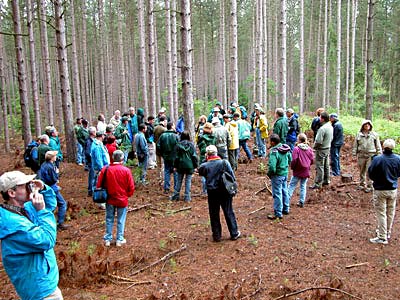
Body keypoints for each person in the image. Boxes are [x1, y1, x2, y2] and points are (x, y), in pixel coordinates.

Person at [0, 171, 63, 299]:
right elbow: (47, 240)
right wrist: (41, 211)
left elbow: (50, 204)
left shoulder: (22, 209)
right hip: (39, 289)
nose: (30, 186)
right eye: (25, 185)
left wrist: (43, 189)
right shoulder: (14, 226)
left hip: (43, 281)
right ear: (12, 193)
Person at [198, 145, 240, 242]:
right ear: (216, 153)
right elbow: (232, 176)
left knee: (214, 213)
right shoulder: (224, 163)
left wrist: (205, 160)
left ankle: (217, 235)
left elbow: (200, 171)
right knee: (228, 211)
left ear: (207, 154)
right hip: (225, 191)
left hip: (212, 192)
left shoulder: (205, 166)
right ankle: (234, 233)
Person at [97, 150, 135, 247]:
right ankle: (119, 239)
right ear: (122, 159)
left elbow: (99, 184)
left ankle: (108, 239)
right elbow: (131, 187)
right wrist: (127, 195)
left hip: (109, 199)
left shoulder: (105, 169)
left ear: (112, 158)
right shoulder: (126, 171)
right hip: (122, 199)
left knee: (109, 218)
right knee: (121, 219)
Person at [367, 139, 400, 244]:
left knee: (381, 213)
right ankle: (387, 232)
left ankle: (382, 236)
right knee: (390, 212)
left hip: (380, 189)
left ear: (383, 146)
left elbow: (370, 173)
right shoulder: (398, 158)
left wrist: (376, 179)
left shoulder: (378, 159)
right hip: (393, 189)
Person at [39, 150, 69, 230]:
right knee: (61, 204)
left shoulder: (44, 165)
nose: (56, 157)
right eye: (55, 156)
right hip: (51, 188)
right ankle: (60, 223)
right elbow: (52, 179)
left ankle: (50, 223)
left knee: (49, 205)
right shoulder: (50, 167)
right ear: (52, 158)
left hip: (46, 188)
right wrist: (57, 174)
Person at [352, 120, 382, 192]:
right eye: (365, 125)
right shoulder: (358, 134)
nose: (367, 126)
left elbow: (378, 145)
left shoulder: (374, 135)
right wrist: (354, 153)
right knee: (362, 170)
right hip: (361, 155)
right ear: (363, 126)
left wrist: (379, 154)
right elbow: (355, 145)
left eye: (368, 125)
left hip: (371, 155)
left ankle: (370, 185)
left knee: (370, 170)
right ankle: (362, 184)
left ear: (370, 126)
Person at [267, 134, 292, 220]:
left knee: (277, 193)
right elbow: (290, 159)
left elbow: (272, 166)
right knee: (284, 190)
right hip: (284, 173)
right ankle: (286, 208)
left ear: (273, 142)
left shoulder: (274, 152)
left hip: (277, 175)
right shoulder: (285, 148)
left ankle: (278, 213)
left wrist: (270, 174)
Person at [287, 134, 314, 208]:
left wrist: (293, 167)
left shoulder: (296, 149)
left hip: (298, 170)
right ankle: (302, 201)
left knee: (292, 185)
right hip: (306, 170)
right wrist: (308, 165)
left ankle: (286, 200)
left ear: (299, 140)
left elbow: (294, 160)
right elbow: (312, 160)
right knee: (303, 185)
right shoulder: (309, 149)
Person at [171, 130, 198, 202]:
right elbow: (194, 156)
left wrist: (175, 166)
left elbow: (176, 157)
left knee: (179, 180)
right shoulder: (191, 145)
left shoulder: (178, 145)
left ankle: (175, 196)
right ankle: (187, 197)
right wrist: (195, 166)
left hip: (180, 165)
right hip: (190, 165)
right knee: (188, 181)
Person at [310, 112, 333, 189]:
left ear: (322, 119)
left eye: (320, 117)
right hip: (327, 148)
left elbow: (318, 141)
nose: (319, 119)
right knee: (326, 165)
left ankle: (318, 183)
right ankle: (326, 180)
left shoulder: (322, 129)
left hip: (321, 149)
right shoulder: (330, 126)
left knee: (320, 166)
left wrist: (314, 147)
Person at [157, 122, 179, 193]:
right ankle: (176, 188)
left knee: (166, 171)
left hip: (166, 157)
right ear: (172, 126)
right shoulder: (175, 136)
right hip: (174, 157)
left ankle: (166, 188)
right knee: (175, 172)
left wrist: (162, 153)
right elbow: (179, 146)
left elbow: (158, 145)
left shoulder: (162, 136)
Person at [91, 132, 110, 209]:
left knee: (99, 183)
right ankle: (101, 202)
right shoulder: (97, 146)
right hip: (100, 169)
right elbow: (98, 159)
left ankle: (102, 201)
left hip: (102, 167)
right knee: (100, 184)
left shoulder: (98, 144)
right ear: (101, 136)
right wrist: (102, 169)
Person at [197, 122, 216, 194]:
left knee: (204, 174)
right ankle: (211, 189)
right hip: (213, 157)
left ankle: (205, 191)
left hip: (204, 158)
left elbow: (202, 150)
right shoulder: (213, 138)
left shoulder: (202, 138)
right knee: (212, 173)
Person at [85, 127, 96, 196]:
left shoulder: (91, 140)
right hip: (91, 161)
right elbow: (88, 152)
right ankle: (90, 190)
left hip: (91, 161)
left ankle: (91, 189)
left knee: (93, 175)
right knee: (92, 176)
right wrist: (92, 158)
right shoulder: (89, 141)